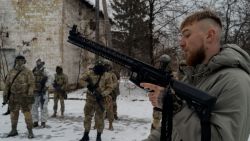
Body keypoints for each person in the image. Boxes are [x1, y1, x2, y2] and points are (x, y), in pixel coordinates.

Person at [141, 10, 250, 141]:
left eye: (187, 35)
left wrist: (174, 106)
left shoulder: (235, 81)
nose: (181, 43)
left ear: (209, 36)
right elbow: (173, 127)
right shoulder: (191, 78)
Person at [79, 60, 114, 141]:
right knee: (87, 117)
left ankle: (98, 136)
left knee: (100, 118)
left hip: (101, 100)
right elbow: (81, 80)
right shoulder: (89, 73)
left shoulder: (107, 75)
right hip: (90, 99)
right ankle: (86, 135)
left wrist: (102, 94)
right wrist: (88, 85)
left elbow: (110, 88)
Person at [2, 55, 35, 138]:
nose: (19, 62)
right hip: (13, 97)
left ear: (24, 61)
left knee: (27, 114)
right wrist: (5, 95)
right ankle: (14, 130)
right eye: (18, 60)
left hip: (24, 96)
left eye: (21, 60)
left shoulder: (28, 72)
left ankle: (30, 131)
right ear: (15, 61)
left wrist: (30, 94)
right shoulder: (11, 71)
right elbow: (7, 85)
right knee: (13, 114)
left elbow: (32, 84)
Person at [31, 59, 50, 128]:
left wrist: (46, 86)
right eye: (37, 62)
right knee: (34, 107)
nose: (38, 63)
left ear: (42, 63)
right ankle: (35, 121)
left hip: (43, 92)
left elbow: (50, 78)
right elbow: (30, 79)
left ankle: (43, 122)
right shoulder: (33, 70)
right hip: (35, 91)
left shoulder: (45, 70)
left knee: (43, 107)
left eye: (40, 62)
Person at [103, 60, 119, 130]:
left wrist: (110, 87)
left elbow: (116, 82)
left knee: (113, 104)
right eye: (105, 65)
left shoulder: (113, 73)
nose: (106, 67)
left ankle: (114, 114)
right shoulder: (103, 73)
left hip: (113, 92)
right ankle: (106, 114)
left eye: (107, 65)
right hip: (105, 92)